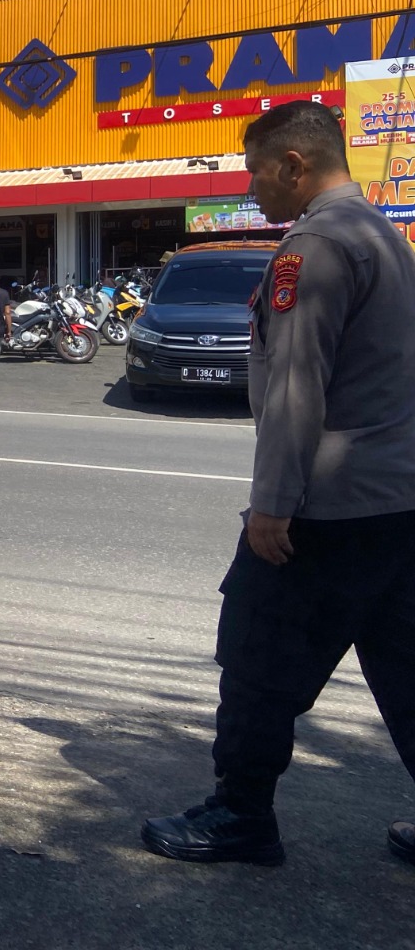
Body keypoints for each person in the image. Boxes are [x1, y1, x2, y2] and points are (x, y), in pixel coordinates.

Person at [141, 100, 415, 869]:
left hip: (325, 510)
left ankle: (239, 817)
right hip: (397, 502)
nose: (250, 185)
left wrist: (272, 506)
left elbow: (297, 388)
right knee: (406, 669)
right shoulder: (385, 237)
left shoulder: (315, 246)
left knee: (258, 665)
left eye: (256, 169)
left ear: (295, 165)